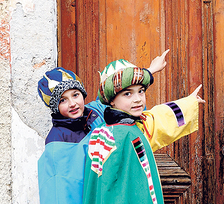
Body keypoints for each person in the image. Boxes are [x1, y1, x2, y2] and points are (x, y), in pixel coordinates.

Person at [36, 50, 169, 204]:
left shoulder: (94, 112)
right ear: (54, 107)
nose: (72, 103)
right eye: (63, 100)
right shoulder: (56, 141)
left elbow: (115, 91)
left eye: (75, 95)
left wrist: (149, 72)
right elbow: (59, 191)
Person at [82, 58, 205, 204]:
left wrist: (189, 103)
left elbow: (161, 115)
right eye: (128, 94)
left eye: (141, 91)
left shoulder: (133, 126)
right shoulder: (117, 135)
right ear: (111, 100)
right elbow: (111, 189)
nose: (138, 99)